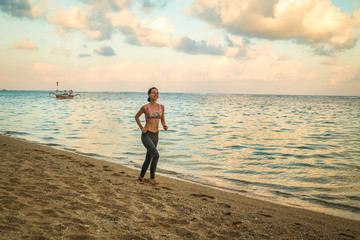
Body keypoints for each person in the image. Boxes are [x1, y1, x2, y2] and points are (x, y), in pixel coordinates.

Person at [135, 87, 168, 185]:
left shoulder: (161, 107)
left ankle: (141, 176)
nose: (156, 94)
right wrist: (141, 127)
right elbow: (136, 117)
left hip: (156, 135)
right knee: (156, 155)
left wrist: (164, 125)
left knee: (149, 157)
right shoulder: (145, 107)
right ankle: (152, 178)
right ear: (149, 95)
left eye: (157, 93)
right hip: (146, 135)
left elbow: (162, 119)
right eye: (153, 93)